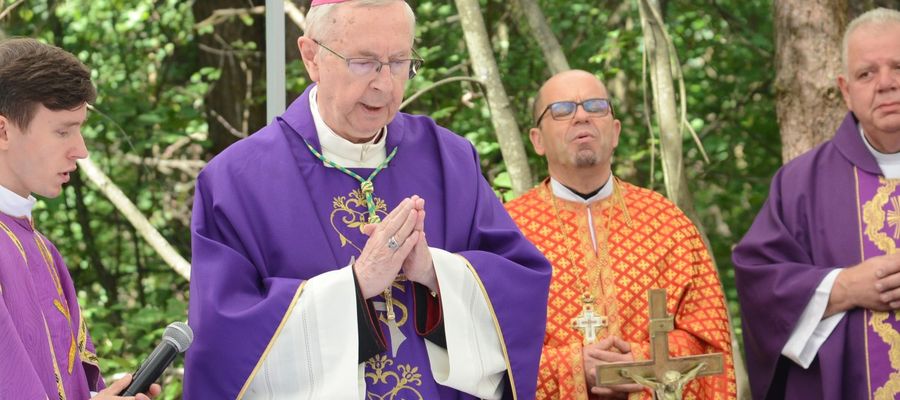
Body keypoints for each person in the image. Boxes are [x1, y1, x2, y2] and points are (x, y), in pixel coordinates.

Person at [182, 0, 552, 398]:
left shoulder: (451, 160)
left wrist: (433, 273)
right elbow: (222, 343)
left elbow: (521, 288)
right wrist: (355, 287)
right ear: (312, 57)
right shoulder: (235, 181)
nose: (385, 84)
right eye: (364, 62)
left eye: (399, 62)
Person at [505, 70, 736, 399]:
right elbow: (490, 348)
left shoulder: (668, 224)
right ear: (537, 140)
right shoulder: (508, 231)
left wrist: (642, 364)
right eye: (562, 110)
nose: (582, 116)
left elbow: (710, 338)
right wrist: (574, 368)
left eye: (596, 106)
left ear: (614, 132)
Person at [732, 8, 900, 400]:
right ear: (845, 89)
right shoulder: (800, 183)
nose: (886, 84)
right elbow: (760, 286)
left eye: (898, 66)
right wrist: (843, 287)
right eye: (866, 73)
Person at [0, 38, 161, 399]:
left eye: (80, 127)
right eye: (62, 131)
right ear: (3, 130)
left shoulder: (43, 250)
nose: (81, 150)